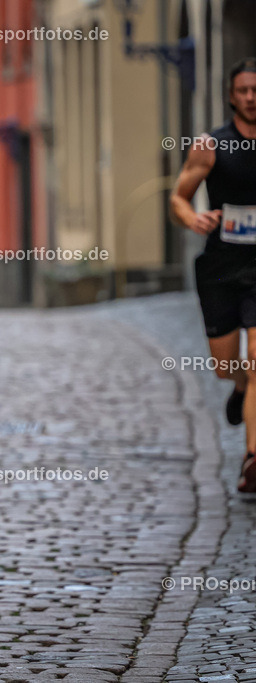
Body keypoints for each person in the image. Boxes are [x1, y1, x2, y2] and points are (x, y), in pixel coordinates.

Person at [170, 57, 256, 492]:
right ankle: (239, 387)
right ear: (231, 95)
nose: (251, 97)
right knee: (226, 366)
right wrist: (193, 219)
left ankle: (252, 458)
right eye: (243, 90)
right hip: (221, 264)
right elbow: (179, 198)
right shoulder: (211, 145)